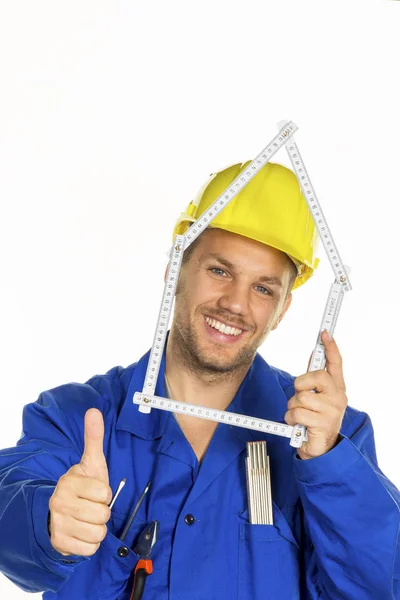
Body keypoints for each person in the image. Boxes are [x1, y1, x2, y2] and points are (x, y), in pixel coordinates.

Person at [0, 161, 399, 600]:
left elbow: (375, 586)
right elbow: (9, 507)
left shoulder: (333, 442)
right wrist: (48, 521)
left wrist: (329, 464)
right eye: (219, 271)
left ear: (282, 311)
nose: (235, 304)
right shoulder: (77, 417)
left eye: (263, 289)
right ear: (175, 272)